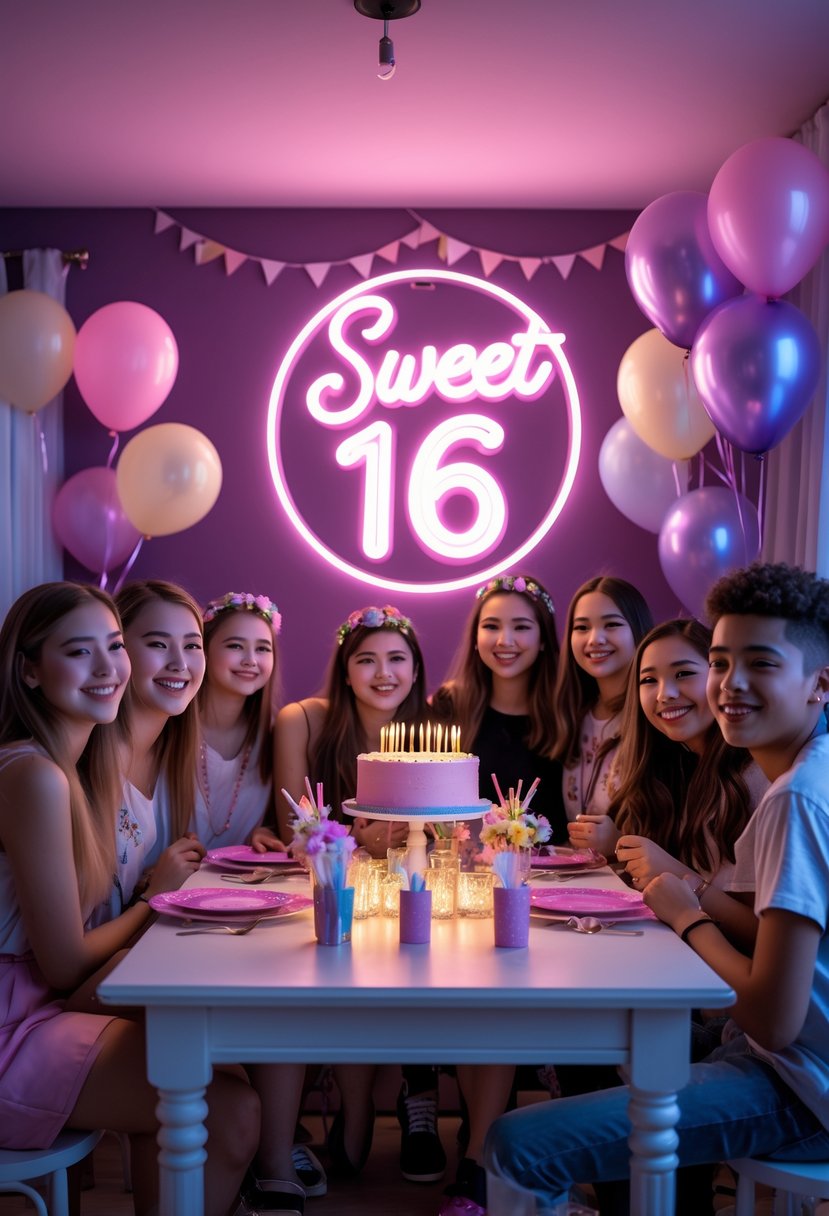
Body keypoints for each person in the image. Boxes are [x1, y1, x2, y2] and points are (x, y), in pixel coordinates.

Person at [484, 561, 829, 1216]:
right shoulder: (806, 774)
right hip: (777, 1057)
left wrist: (686, 915)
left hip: (800, 1087)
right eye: (722, 663)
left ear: (820, 684)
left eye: (759, 664)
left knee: (513, 1143)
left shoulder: (795, 799)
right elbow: (780, 937)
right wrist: (693, 895)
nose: (729, 685)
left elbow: (773, 1022)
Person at [0, 582, 258, 1216]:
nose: (107, 668)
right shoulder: (32, 774)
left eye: (113, 647)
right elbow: (62, 965)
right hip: (13, 1028)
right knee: (225, 1108)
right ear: (29, 670)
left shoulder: (69, 768)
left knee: (213, 1071)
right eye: (78, 652)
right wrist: (157, 901)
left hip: (36, 1009)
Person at [274, 605, 442, 1187]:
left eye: (397, 659)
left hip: (417, 895)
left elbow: (449, 832)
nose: (382, 673)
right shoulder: (304, 721)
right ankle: (351, 1105)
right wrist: (363, 839)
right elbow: (297, 827)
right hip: (333, 897)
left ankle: (412, 1098)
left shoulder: (434, 734)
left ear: (417, 670)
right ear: (344, 671)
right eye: (365, 660)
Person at [431, 573, 565, 1216]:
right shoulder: (448, 707)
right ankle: (481, 1153)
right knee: (471, 994)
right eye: (491, 626)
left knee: (507, 996)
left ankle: (485, 1154)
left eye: (521, 626)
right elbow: (430, 811)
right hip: (463, 888)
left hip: (551, 896)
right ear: (475, 636)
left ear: (544, 639)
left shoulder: (566, 711)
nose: (505, 640)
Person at [198, 590, 324, 1210]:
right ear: (204, 651)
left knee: (291, 986)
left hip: (243, 906)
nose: (251, 660)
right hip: (175, 911)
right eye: (234, 646)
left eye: (263, 648)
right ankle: (261, 1146)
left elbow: (284, 825)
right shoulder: (169, 725)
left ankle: (274, 1157)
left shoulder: (269, 733)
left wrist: (260, 836)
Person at [553, 576, 652, 857]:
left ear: (638, 629)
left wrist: (618, 842)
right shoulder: (573, 714)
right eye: (582, 627)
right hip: (583, 883)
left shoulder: (655, 716)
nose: (595, 639)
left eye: (611, 624)